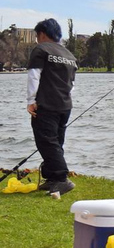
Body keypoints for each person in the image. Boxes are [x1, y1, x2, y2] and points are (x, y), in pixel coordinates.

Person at [27, 18, 78, 198]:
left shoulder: (41, 50)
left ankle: (62, 178)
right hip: (65, 104)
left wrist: (31, 100)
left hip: (46, 103)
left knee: (46, 141)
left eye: (37, 36)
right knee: (56, 141)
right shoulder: (69, 55)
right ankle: (52, 177)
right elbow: (71, 83)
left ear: (42, 34)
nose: (37, 39)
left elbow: (34, 75)